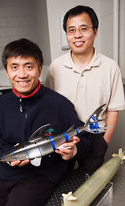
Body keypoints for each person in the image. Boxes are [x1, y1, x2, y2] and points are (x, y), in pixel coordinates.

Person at [0, 38, 90, 206]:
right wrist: (10, 155)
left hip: (42, 175)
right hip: (7, 172)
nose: (21, 74)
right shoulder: (1, 105)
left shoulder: (58, 104)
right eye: (14, 67)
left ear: (39, 70)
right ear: (7, 71)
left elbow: (84, 135)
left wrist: (74, 149)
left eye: (29, 66)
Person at [45, 5, 125, 170]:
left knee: (90, 186)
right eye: (71, 30)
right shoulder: (55, 67)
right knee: (62, 184)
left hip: (95, 136)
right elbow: (48, 106)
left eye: (83, 29)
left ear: (95, 31)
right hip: (63, 137)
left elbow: (113, 108)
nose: (77, 35)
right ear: (66, 34)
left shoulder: (110, 67)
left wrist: (105, 141)